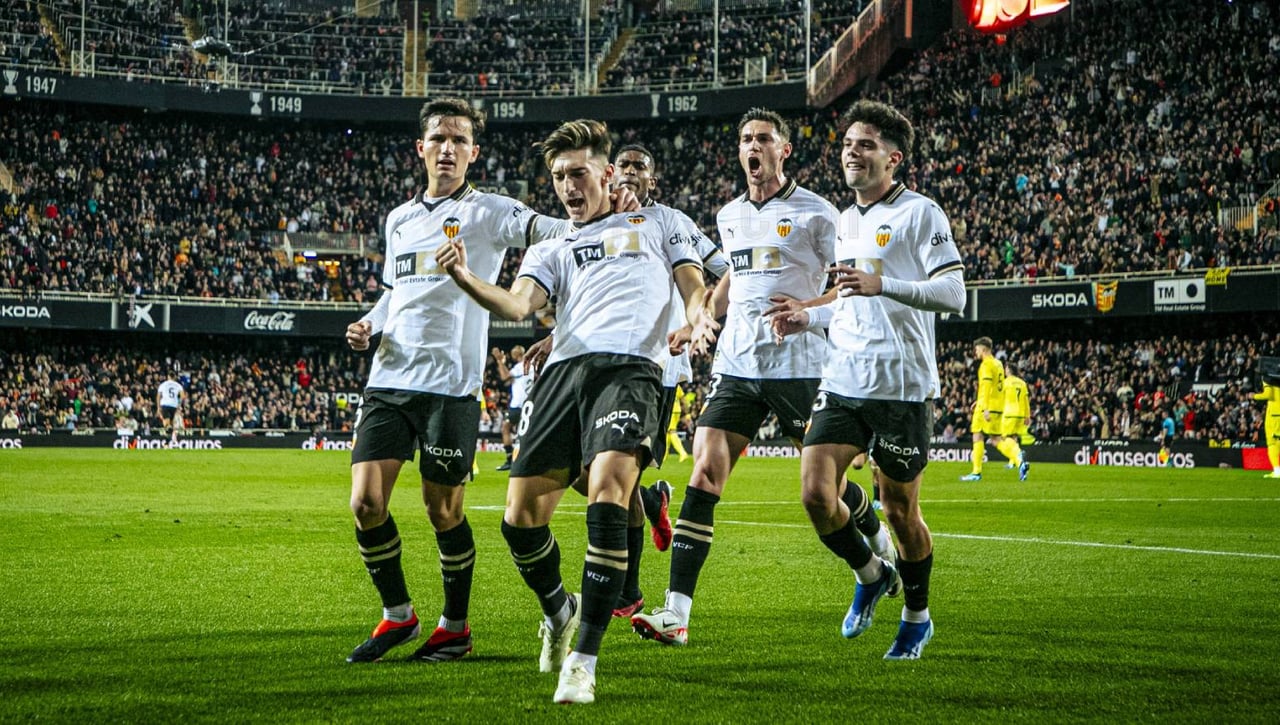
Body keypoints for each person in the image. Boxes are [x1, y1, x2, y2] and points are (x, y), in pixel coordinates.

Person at [436, 119, 706, 704]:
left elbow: (692, 283)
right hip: (563, 375)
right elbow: (516, 305)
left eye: (578, 173)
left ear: (607, 175)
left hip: (630, 369)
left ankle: (582, 663)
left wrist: (697, 316)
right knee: (519, 520)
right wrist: (462, 274)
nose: (567, 186)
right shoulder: (550, 246)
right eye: (558, 176)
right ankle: (559, 610)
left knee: (608, 492)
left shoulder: (658, 222)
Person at [342, 97, 592, 665]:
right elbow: (392, 292)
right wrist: (369, 324)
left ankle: (454, 628)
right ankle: (397, 615)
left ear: (473, 153)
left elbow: (556, 228)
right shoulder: (399, 219)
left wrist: (608, 211)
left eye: (459, 140)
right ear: (421, 148)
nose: (448, 148)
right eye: (439, 138)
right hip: (389, 377)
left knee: (443, 511)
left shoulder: (488, 211)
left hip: (450, 386)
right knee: (365, 502)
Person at [631, 108, 893, 647]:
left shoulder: (817, 214)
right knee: (703, 474)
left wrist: (806, 309)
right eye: (746, 139)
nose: (753, 146)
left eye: (764, 139)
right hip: (737, 366)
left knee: (828, 489)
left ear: (783, 150)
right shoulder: (729, 214)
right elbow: (735, 275)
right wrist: (697, 320)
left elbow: (848, 286)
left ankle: (870, 562)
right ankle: (676, 613)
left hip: (801, 367)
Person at [769, 99, 965, 660]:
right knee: (815, 493)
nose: (852, 153)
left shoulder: (920, 213)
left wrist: (885, 284)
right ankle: (871, 573)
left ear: (893, 158)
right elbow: (850, 302)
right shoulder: (845, 220)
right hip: (844, 380)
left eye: (866, 145)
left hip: (901, 387)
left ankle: (917, 616)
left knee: (900, 513)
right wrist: (809, 317)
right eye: (848, 144)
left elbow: (954, 293)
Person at [960, 337, 1007, 481]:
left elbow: (986, 387)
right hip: (997, 405)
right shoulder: (998, 363)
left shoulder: (986, 365)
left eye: (977, 349)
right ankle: (1018, 457)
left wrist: (984, 406)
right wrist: (978, 400)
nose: (975, 352)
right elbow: (996, 387)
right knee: (994, 438)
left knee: (978, 435)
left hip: (987, 406)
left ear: (984, 349)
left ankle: (976, 472)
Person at [493, 344, 528, 471]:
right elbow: (511, 380)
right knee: (524, 432)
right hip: (528, 404)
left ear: (517, 354)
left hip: (518, 405)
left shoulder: (520, 366)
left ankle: (509, 459)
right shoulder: (530, 366)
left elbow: (505, 376)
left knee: (505, 428)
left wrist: (499, 361)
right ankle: (524, 460)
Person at [1001, 371, 1032, 480]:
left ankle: (1018, 455)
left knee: (1004, 438)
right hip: (1020, 414)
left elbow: (1000, 398)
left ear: (1009, 370)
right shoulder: (1022, 383)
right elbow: (1026, 400)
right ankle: (1012, 462)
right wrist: (1027, 415)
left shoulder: (1006, 382)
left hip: (1009, 413)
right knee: (1013, 438)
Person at [1255, 375, 1280, 478]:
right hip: (1276, 414)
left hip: (1275, 416)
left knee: (1272, 443)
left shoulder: (1268, 378)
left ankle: (1277, 471)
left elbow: (1268, 394)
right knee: (1276, 442)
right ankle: (1277, 471)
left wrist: (1254, 396)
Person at [155, 369, 185, 445]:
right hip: (174, 406)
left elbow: (158, 396)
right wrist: (179, 405)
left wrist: (158, 407)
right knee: (170, 425)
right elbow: (182, 396)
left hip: (165, 405)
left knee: (166, 425)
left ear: (168, 376)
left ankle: (167, 441)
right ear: (174, 377)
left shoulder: (163, 385)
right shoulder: (178, 385)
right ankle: (167, 443)